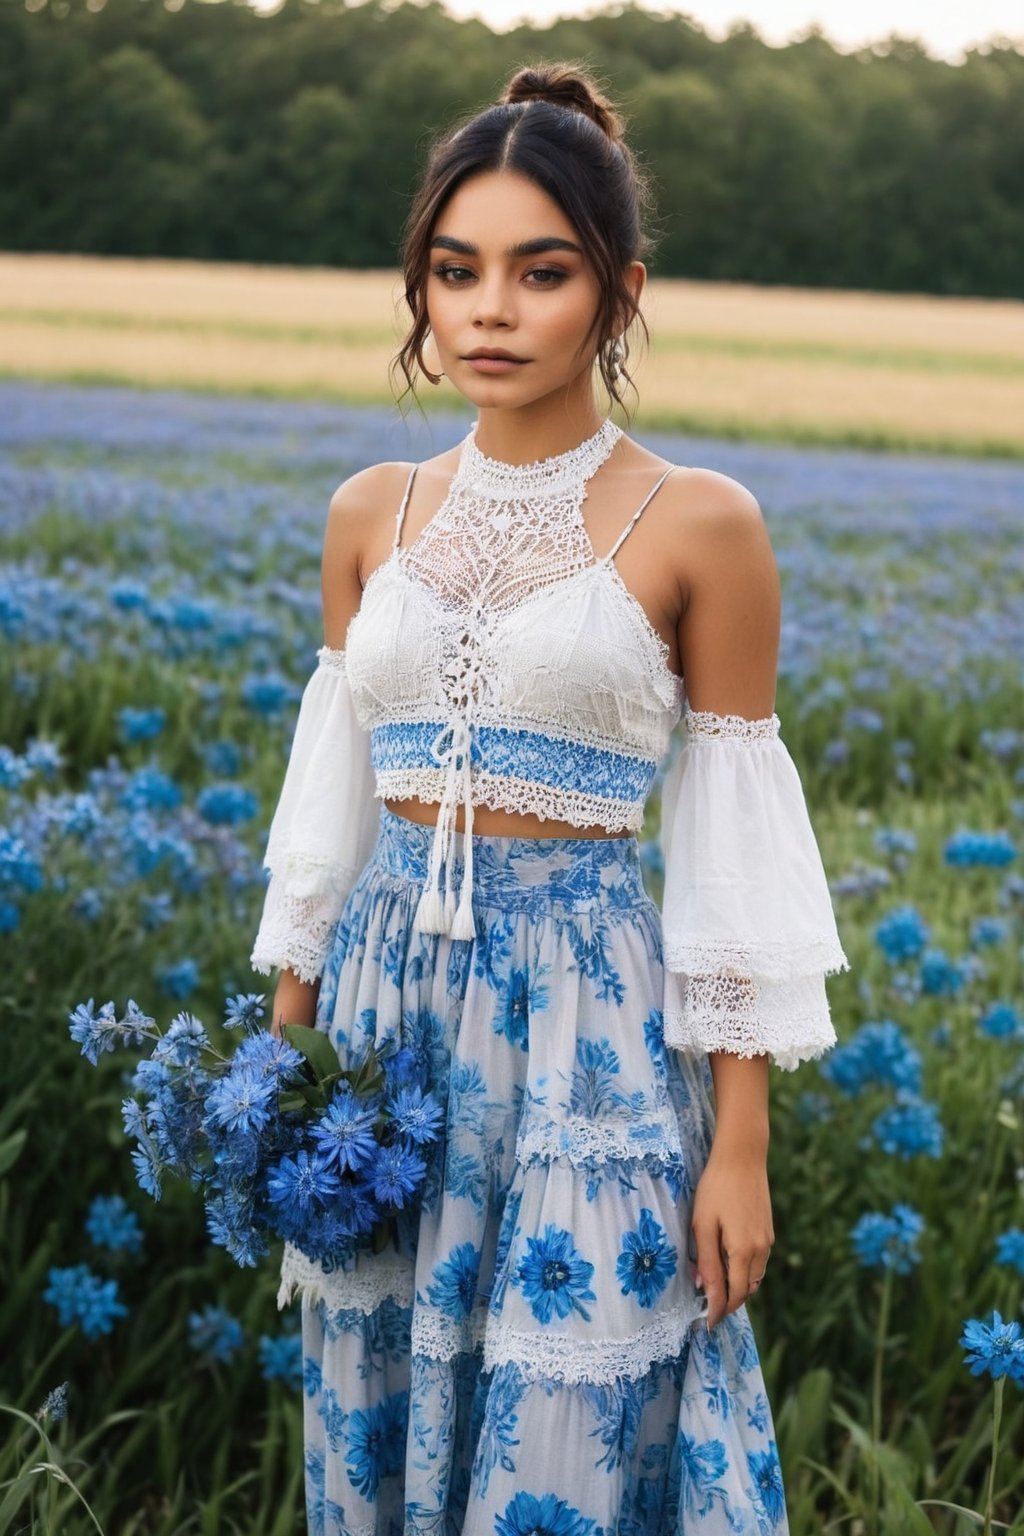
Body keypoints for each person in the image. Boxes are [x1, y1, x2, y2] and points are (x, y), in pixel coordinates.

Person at [250, 59, 849, 1536]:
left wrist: (741, 1145)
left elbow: (729, 846)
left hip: (585, 1021)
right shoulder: (367, 511)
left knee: (577, 1424)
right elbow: (325, 820)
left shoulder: (699, 521)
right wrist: (280, 1082)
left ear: (619, 293)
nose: (489, 312)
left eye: (541, 272)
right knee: (373, 1402)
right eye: (454, 273)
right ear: (420, 290)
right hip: (386, 1035)